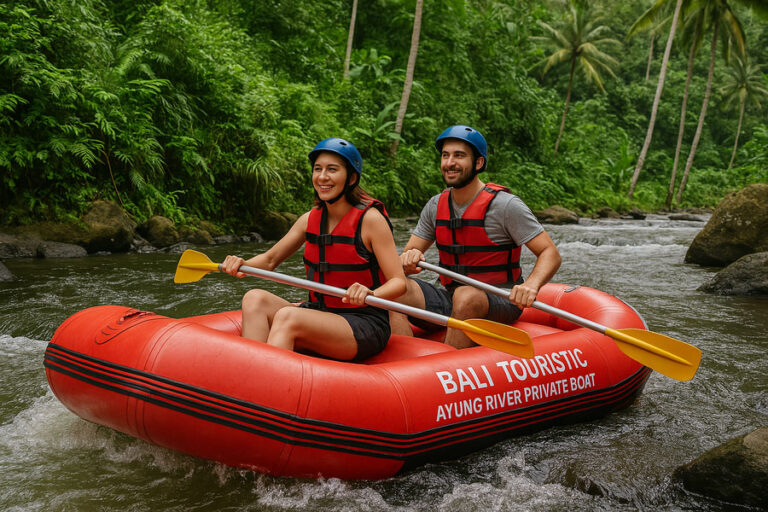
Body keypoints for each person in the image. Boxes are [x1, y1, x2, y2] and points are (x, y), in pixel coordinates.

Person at [222, 138, 406, 361]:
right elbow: (270, 260)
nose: (322, 177)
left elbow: (399, 282)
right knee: (254, 299)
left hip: (364, 322)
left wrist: (371, 294)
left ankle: (265, 377)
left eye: (332, 169)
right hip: (320, 311)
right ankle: (252, 370)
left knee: (288, 316)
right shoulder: (309, 219)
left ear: (351, 178)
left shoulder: (371, 220)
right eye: (318, 169)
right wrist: (242, 264)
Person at [390, 125, 562, 349]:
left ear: (478, 163)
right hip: (448, 296)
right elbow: (407, 257)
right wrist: (408, 258)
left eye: (459, 156)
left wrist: (531, 285)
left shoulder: (506, 206)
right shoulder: (435, 205)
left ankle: (447, 365)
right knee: (393, 287)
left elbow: (550, 253)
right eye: (445, 155)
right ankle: (407, 362)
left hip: (501, 299)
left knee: (466, 296)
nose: (449, 162)